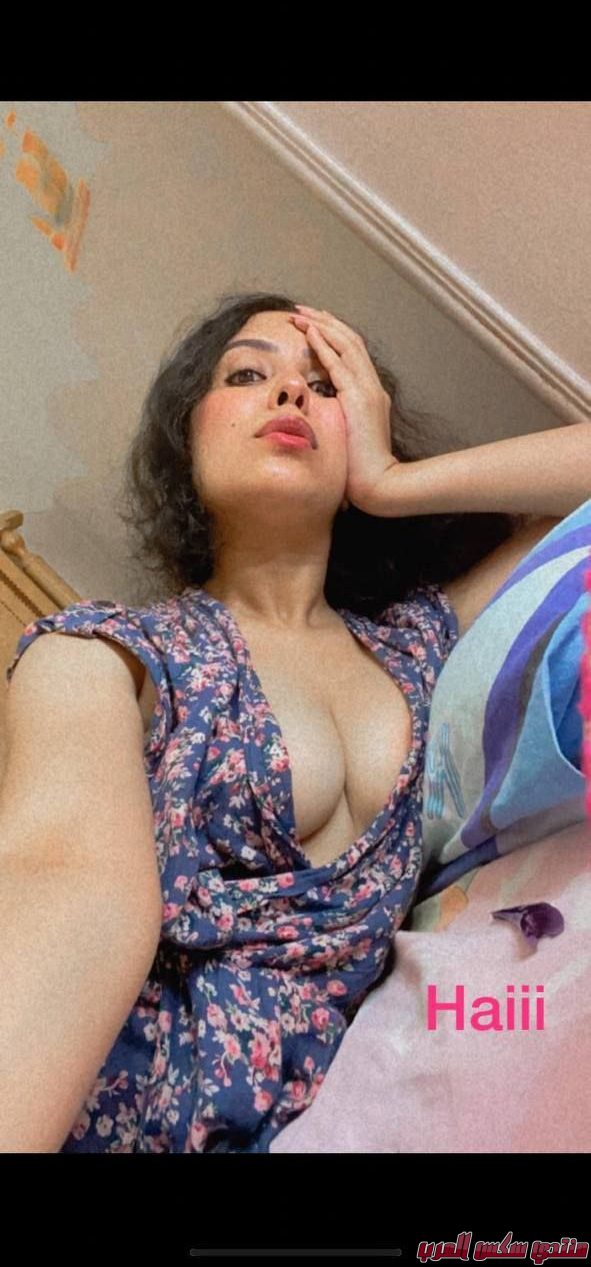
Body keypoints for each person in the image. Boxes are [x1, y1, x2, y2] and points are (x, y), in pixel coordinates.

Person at [2, 291, 585, 1153]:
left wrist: (392, 482)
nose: (289, 392)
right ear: (187, 439)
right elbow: (65, 886)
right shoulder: (108, 654)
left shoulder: (421, 642)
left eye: (327, 385)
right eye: (247, 374)